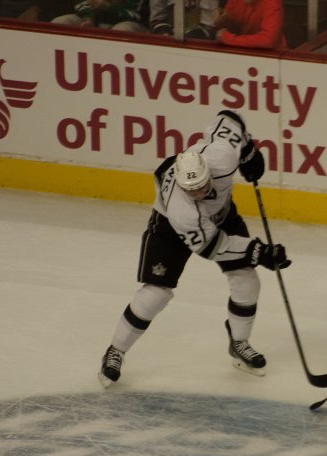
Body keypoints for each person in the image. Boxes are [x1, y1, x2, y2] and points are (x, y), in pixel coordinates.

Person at [99, 109, 291, 388]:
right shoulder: (182, 211)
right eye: (192, 190)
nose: (199, 193)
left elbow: (228, 117)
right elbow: (215, 247)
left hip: (223, 215)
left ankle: (239, 343)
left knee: (247, 279)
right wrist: (259, 251)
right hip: (170, 229)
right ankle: (116, 350)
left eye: (202, 185)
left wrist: (248, 149)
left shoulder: (221, 157)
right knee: (156, 294)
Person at [215, 0, 286, 50]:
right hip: (242, 50)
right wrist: (221, 21)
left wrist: (227, 38)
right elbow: (227, 30)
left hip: (273, 55)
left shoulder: (273, 2)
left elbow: (267, 41)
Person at [52, 0, 147, 32]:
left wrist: (109, 7)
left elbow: (137, 15)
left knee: (120, 30)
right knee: (61, 22)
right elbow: (82, 2)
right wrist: (88, 17)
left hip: (130, 24)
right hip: (93, 18)